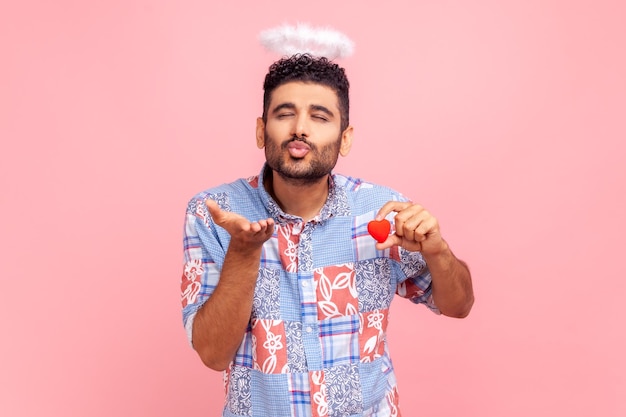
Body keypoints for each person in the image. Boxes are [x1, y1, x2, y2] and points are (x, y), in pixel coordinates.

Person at [181, 53, 474, 417]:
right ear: (261, 130)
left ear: (345, 138)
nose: (300, 128)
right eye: (285, 113)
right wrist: (243, 252)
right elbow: (212, 354)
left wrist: (439, 252)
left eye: (319, 117)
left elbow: (458, 306)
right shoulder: (215, 213)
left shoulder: (382, 210)